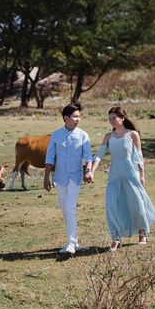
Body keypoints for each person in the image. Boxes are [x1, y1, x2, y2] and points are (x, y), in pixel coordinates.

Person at [91, 106, 155, 251]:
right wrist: (91, 170)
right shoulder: (108, 137)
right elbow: (99, 155)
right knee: (111, 206)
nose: (111, 121)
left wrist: (142, 175)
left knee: (136, 204)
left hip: (130, 173)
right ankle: (115, 238)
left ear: (122, 118)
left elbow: (139, 157)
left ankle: (142, 231)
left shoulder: (133, 134)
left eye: (114, 118)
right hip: (114, 175)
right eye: (109, 119)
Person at [44, 103, 93, 254]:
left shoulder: (83, 135)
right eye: (75, 116)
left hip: (75, 178)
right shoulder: (56, 135)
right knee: (65, 210)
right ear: (66, 118)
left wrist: (88, 171)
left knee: (69, 208)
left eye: (79, 116)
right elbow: (50, 158)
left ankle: (71, 244)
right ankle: (72, 242)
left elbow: (88, 157)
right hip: (59, 178)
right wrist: (46, 178)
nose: (78, 119)